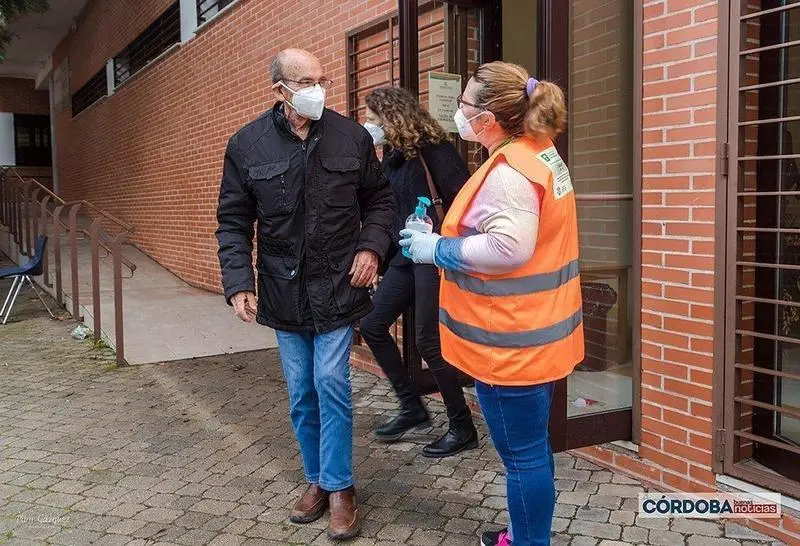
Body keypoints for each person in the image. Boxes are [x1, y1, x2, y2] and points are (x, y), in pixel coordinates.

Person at [400, 62, 584, 546]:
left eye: (464, 104)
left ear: (488, 118)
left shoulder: (509, 172)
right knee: (533, 449)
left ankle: (527, 542)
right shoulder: (540, 154)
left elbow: (510, 248)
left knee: (522, 455)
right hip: (539, 333)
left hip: (509, 346)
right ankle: (527, 532)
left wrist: (434, 249)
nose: (458, 112)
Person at [215, 49, 394, 541]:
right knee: (302, 393)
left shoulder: (351, 138)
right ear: (281, 91)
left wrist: (372, 248)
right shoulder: (247, 144)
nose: (319, 88)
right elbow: (232, 221)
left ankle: (340, 488)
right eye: (307, 81)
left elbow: (380, 200)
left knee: (331, 382)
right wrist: (238, 284)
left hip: (339, 282)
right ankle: (315, 479)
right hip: (281, 288)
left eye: (322, 79)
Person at [358, 87, 478, 458]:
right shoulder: (391, 157)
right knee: (373, 325)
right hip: (405, 258)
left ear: (392, 117)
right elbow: (392, 211)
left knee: (428, 341)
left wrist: (445, 246)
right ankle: (412, 407)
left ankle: (462, 426)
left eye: (373, 119)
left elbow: (463, 200)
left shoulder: (434, 150)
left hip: (432, 255)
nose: (369, 125)